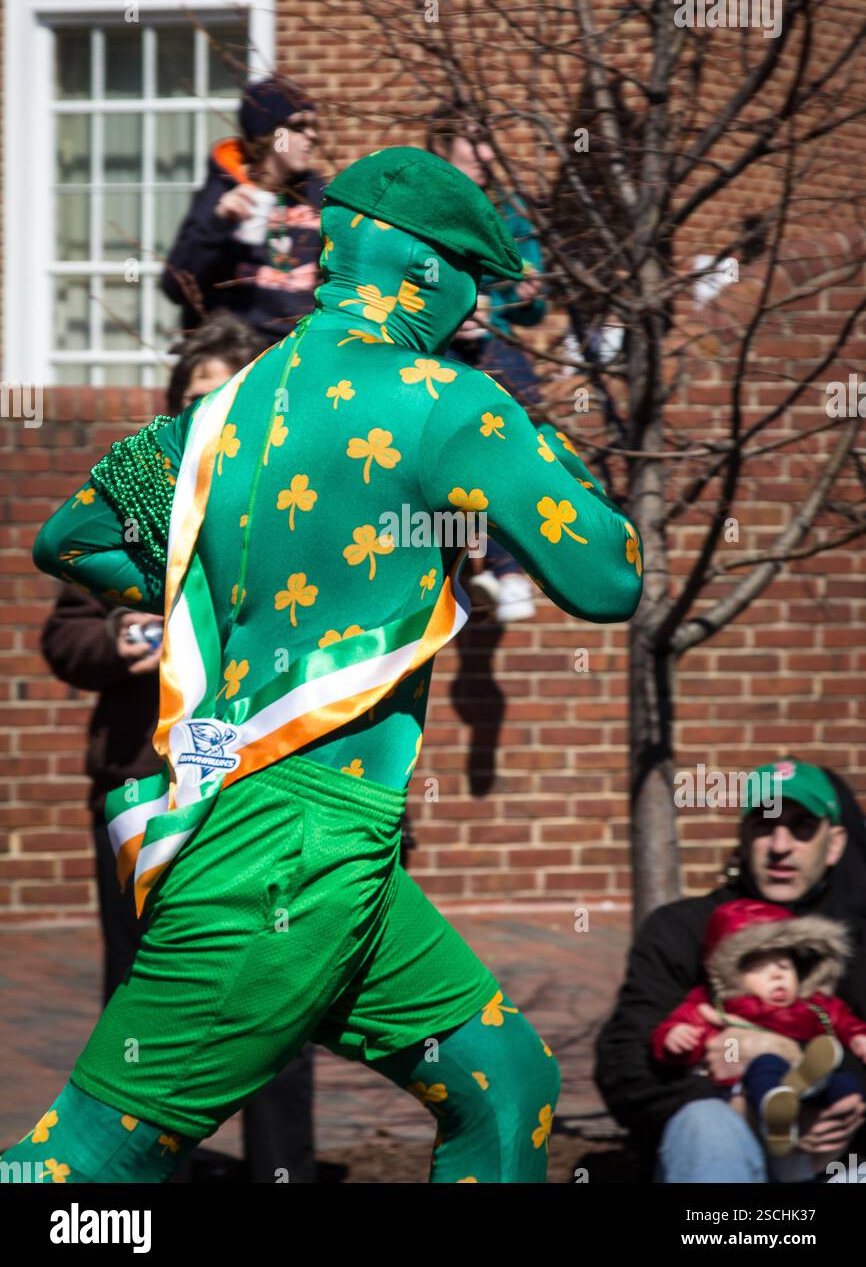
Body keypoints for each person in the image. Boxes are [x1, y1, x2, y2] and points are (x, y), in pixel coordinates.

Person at [5, 147, 643, 1184]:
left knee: (506, 1080)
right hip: (287, 859)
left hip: (326, 851)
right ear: (427, 274)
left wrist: (216, 606)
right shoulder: (454, 406)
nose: (478, 311)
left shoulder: (220, 410)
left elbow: (71, 538)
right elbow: (609, 576)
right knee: (82, 1164)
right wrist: (545, 454)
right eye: (474, 284)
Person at [38, 313, 319, 1184]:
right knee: (141, 1000)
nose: (213, 413)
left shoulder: (296, 510)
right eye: (197, 399)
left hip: (255, 795)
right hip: (141, 793)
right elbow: (66, 636)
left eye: (230, 399)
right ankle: (126, 1191)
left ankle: (282, 1173)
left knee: (268, 995)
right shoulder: (126, 508)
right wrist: (124, 640)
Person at [594, 760, 866, 1183]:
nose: (780, 844)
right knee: (707, 1125)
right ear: (743, 836)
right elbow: (624, 1066)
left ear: (834, 844)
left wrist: (798, 1068)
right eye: (764, 824)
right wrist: (746, 1107)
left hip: (841, 1153)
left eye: (800, 826)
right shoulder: (681, 929)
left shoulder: (855, 941)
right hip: (723, 1135)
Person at [427, 103, 548, 623]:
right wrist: (452, 308)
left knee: (516, 430)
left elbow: (535, 306)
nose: (485, 154)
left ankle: (504, 564)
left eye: (488, 141)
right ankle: (474, 561)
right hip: (437, 353)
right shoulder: (422, 210)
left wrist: (518, 294)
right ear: (441, 146)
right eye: (473, 140)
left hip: (494, 351)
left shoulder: (509, 213)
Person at [652, 898, 866, 1158]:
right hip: (751, 1109)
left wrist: (857, 1036)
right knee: (765, 1064)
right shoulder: (720, 1008)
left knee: (845, 1081)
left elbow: (843, 1019)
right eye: (761, 968)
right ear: (733, 975)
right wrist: (676, 1039)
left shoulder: (815, 1006)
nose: (777, 975)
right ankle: (777, 1115)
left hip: (814, 1118)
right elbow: (689, 1028)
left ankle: (817, 1095)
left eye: (784, 967)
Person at [161, 77, 324, 347]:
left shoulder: (317, 196)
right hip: (234, 357)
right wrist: (218, 224)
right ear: (268, 133)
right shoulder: (223, 192)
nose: (313, 136)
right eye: (298, 126)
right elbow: (176, 288)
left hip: (297, 359)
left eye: (314, 126)